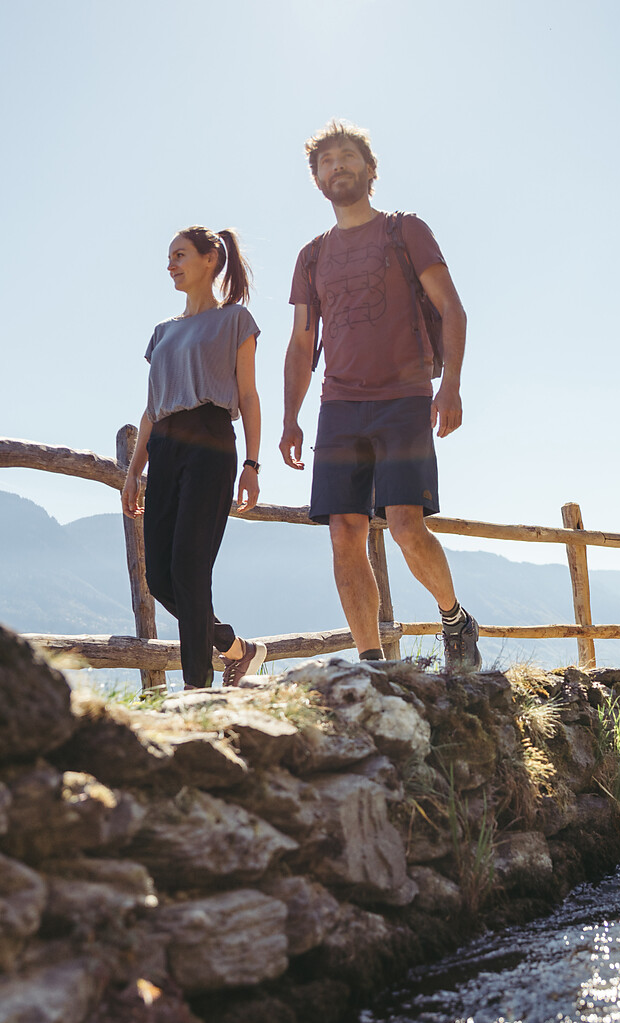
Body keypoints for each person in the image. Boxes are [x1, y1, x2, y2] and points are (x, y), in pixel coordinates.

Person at [279, 120, 482, 671]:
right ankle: (371, 661)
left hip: (404, 397)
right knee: (344, 531)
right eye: (326, 162)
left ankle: (455, 618)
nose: (337, 166)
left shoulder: (405, 230)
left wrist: (452, 385)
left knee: (404, 525)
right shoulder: (312, 256)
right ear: (317, 180)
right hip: (338, 406)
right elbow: (302, 344)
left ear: (370, 170)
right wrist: (290, 417)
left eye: (347, 157)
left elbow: (452, 308)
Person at [122, 226, 267, 688]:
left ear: (211, 259)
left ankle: (197, 689)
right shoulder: (161, 333)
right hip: (165, 447)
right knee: (161, 579)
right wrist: (132, 474)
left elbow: (247, 394)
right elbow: (151, 408)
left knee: (189, 564)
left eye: (180, 255)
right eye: (169, 257)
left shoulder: (235, 321)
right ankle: (236, 650)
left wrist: (252, 464)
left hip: (210, 441)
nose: (171, 265)